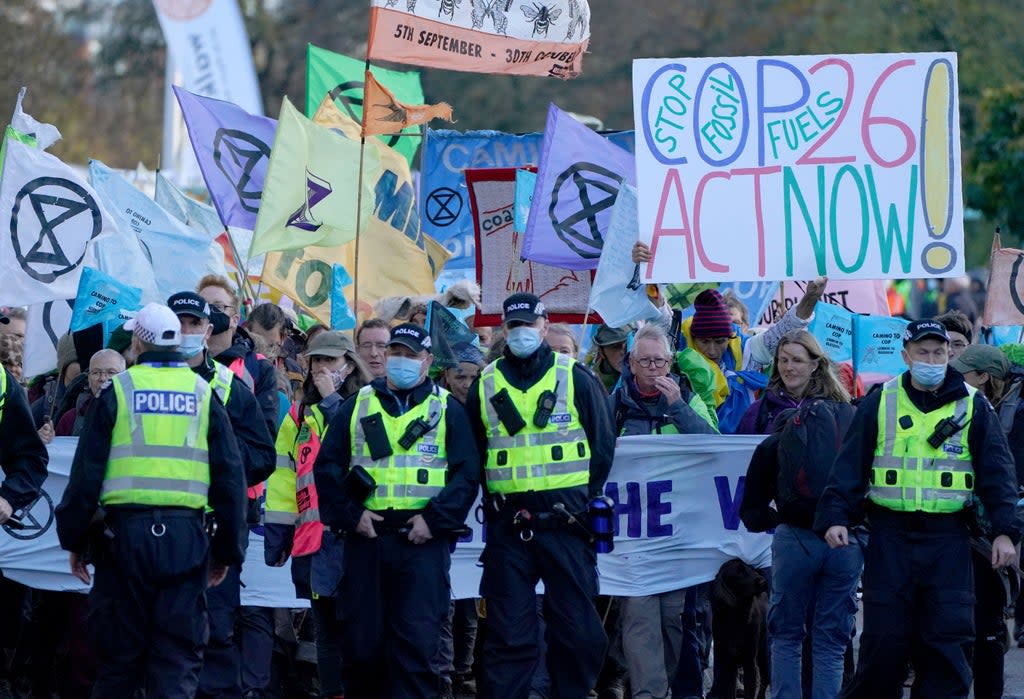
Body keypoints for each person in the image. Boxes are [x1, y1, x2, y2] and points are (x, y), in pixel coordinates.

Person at [815, 320, 1022, 698]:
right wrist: (835, 516)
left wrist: (1005, 531)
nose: (932, 359)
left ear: (950, 355)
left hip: (949, 540)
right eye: (923, 353)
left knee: (946, 644)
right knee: (884, 646)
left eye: (939, 353)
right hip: (890, 536)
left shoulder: (974, 405)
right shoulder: (881, 399)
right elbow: (850, 465)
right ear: (906, 355)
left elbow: (998, 475)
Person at [54, 302, 247, 699]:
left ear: (138, 344)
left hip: (122, 543)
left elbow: (86, 475)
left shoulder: (118, 391)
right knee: (175, 665)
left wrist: (74, 540)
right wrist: (228, 551)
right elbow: (230, 478)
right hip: (186, 543)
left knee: (118, 665)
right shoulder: (202, 392)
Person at [315, 323, 480, 699]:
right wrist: (350, 515)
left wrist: (434, 520)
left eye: (410, 355)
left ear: (428, 361)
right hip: (366, 540)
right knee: (362, 647)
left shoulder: (447, 409)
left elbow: (467, 474)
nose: (401, 361)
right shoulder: (357, 404)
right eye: (396, 353)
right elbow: (326, 468)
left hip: (421, 542)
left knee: (419, 649)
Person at [466, 293, 616, 699]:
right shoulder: (486, 383)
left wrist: (580, 497)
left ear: (544, 327)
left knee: (579, 635)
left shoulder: (576, 377)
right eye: (513, 326)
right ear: (504, 331)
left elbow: (602, 447)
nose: (521, 333)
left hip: (567, 524)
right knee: (508, 638)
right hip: (509, 527)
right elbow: (474, 453)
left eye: (528, 325)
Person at [167, 291, 278, 699]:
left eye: (193, 323)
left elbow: (262, 455)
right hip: (150, 529)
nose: (184, 330)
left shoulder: (231, 386)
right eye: (177, 321)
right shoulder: (136, 382)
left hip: (211, 529)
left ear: (208, 330)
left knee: (215, 632)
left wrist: (217, 462)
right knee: (159, 633)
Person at [739, 330, 861, 699]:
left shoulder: (781, 421)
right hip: (845, 541)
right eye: (783, 359)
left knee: (787, 637)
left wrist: (775, 521)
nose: (788, 366)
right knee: (830, 639)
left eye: (796, 359)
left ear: (815, 365)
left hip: (797, 540)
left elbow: (752, 509)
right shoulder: (854, 419)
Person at [609, 324, 717, 699]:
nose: (654, 369)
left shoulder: (688, 399)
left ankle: (671, 686)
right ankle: (647, 694)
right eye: (646, 361)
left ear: (671, 363)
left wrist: (680, 410)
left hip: (680, 531)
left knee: (675, 618)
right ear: (632, 364)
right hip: (634, 531)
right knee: (639, 618)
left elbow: (715, 447)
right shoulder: (617, 403)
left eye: (660, 361)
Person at [265, 330, 368, 699]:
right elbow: (282, 479)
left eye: (331, 360)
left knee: (360, 630)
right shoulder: (298, 413)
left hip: (360, 538)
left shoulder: (367, 404)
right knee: (326, 632)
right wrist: (277, 537)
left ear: (349, 364)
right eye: (317, 361)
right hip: (317, 541)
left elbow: (361, 445)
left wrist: (332, 401)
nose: (322, 368)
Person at [197, 276, 280, 699]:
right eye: (202, 306)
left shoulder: (256, 372)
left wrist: (218, 464)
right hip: (174, 517)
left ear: (235, 315)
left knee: (218, 623)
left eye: (219, 306)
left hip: (230, 515)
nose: (210, 315)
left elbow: (263, 446)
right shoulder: (164, 372)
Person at [950, 344, 1021, 699]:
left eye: (961, 370)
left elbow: (1004, 480)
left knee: (987, 628)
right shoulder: (963, 409)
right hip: (961, 537)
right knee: (960, 627)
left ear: (983, 378)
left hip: (992, 539)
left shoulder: (1008, 416)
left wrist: (1005, 533)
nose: (952, 375)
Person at [55, 349, 126, 437]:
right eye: (96, 372)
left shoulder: (136, 417)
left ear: (124, 378)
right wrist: (46, 439)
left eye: (111, 372)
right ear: (89, 379)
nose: (103, 378)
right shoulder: (70, 419)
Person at [588, 324, 629, 392]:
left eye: (627, 345)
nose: (623, 352)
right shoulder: (590, 381)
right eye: (616, 346)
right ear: (601, 352)